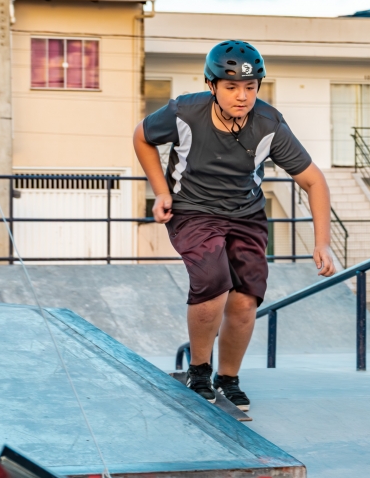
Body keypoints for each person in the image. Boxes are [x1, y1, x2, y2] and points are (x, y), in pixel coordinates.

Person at [133, 40, 335, 412]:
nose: (242, 96)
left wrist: (322, 242)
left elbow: (313, 181)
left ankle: (228, 377)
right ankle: (199, 369)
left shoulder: (269, 124)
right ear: (211, 85)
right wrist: (161, 192)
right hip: (192, 210)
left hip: (246, 214)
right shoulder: (184, 112)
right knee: (212, 282)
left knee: (245, 299)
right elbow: (142, 137)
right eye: (231, 87)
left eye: (250, 87)